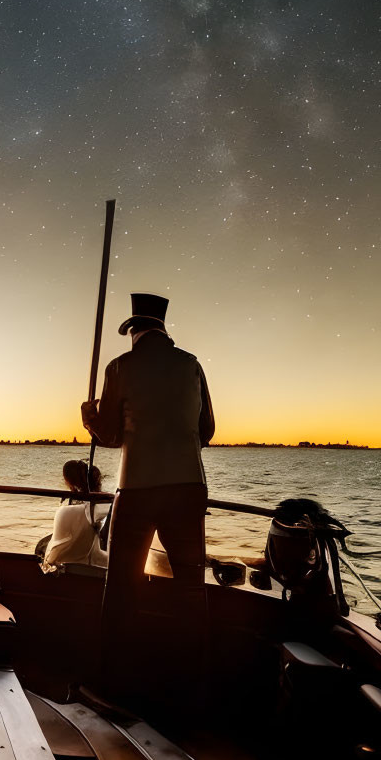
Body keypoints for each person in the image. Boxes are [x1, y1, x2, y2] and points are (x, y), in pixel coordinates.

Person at [80, 293, 214, 700]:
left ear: (133, 331)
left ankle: (113, 683)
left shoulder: (120, 367)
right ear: (162, 328)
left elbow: (110, 435)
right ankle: (190, 683)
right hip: (190, 488)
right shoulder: (192, 365)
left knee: (121, 586)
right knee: (191, 587)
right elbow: (206, 429)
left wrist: (89, 416)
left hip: (137, 489)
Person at [40, 460, 109, 574]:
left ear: (68, 482)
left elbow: (53, 553)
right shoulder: (100, 508)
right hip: (87, 568)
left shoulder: (64, 511)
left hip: (62, 569)